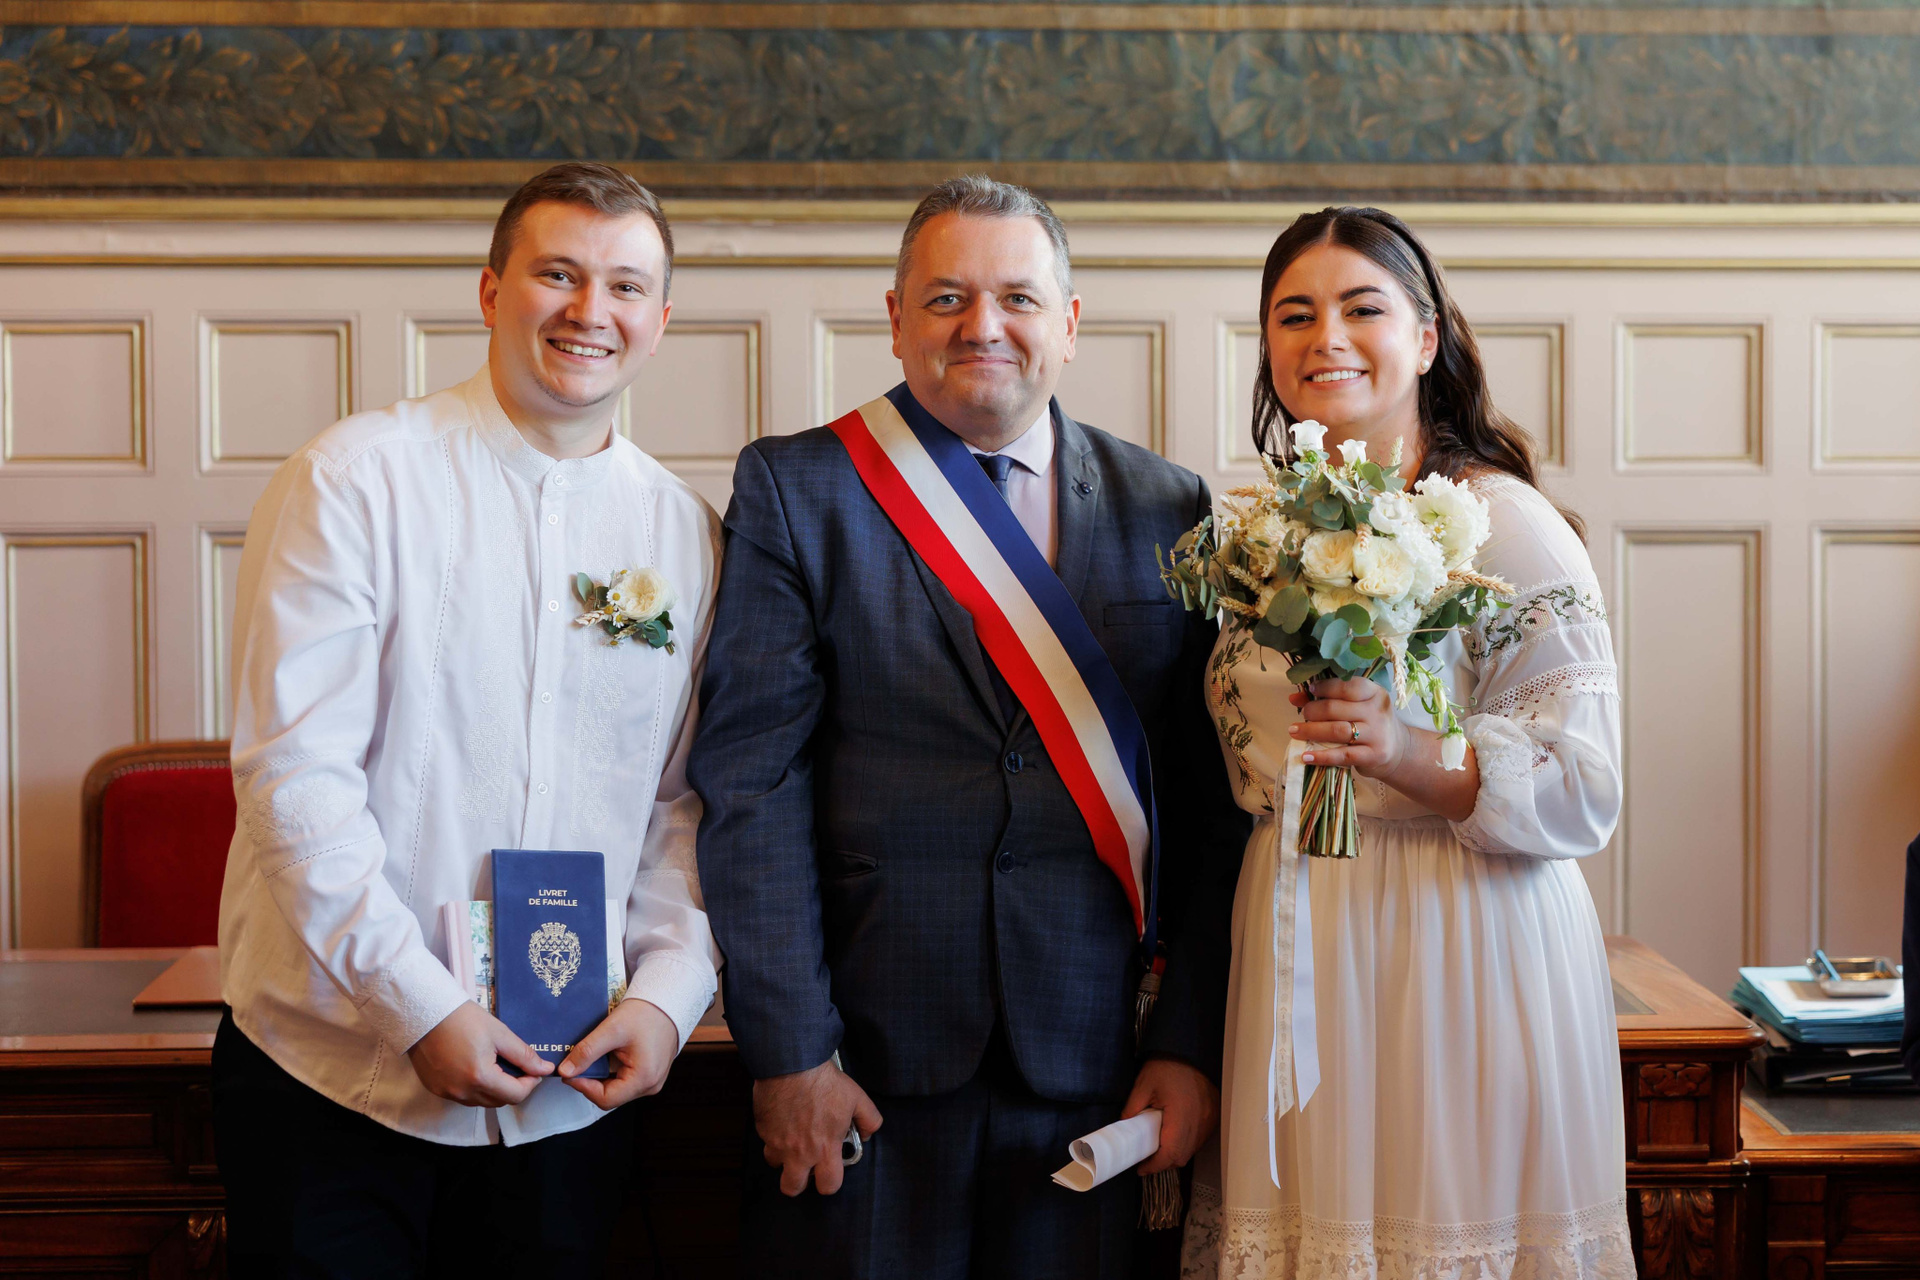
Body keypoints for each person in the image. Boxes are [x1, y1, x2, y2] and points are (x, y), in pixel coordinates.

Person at [689, 176, 1249, 1279]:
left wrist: (1188, 1042)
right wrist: (791, 1053)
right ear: (896, 317)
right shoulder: (799, 490)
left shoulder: (1168, 506)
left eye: (1017, 298)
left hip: (1099, 1062)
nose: (981, 326)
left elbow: (1209, 803)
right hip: (864, 1063)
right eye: (946, 297)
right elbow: (752, 787)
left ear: (1069, 324)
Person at [212, 162, 722, 1277]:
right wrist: (418, 1003)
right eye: (558, 274)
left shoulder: (687, 534)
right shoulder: (353, 481)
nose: (591, 311)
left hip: (568, 1098)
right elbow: (295, 784)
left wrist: (668, 995)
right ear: (492, 292)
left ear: (661, 320)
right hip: (334, 1081)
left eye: (626, 286)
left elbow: (682, 806)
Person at [1182, 207, 1635, 1278]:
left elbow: (1585, 784)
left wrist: (1408, 755)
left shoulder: (1504, 525)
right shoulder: (1259, 533)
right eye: (1295, 315)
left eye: (1361, 308)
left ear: (1426, 339)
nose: (1326, 337)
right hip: (1298, 923)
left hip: (1457, 938)